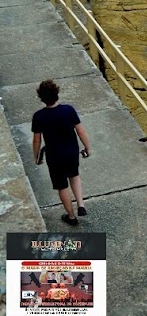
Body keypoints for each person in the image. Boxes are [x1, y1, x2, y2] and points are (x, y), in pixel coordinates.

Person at [32, 80, 91, 226]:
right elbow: (80, 131)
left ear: (41, 97)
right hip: (71, 151)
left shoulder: (39, 116)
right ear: (57, 94)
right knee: (74, 176)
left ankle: (71, 216)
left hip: (54, 156)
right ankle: (81, 204)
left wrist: (37, 156)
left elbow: (37, 140)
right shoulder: (68, 110)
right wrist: (87, 147)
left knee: (62, 186)